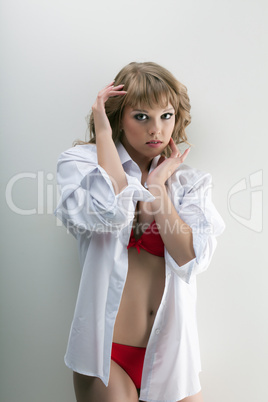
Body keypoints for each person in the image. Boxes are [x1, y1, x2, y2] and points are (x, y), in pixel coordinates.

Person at [54, 61, 225, 402]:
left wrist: (159, 187)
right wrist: (103, 134)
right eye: (141, 116)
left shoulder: (189, 182)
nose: (156, 130)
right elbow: (111, 214)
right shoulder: (81, 164)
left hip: (172, 355)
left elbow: (189, 257)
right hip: (105, 355)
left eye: (166, 116)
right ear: (119, 117)